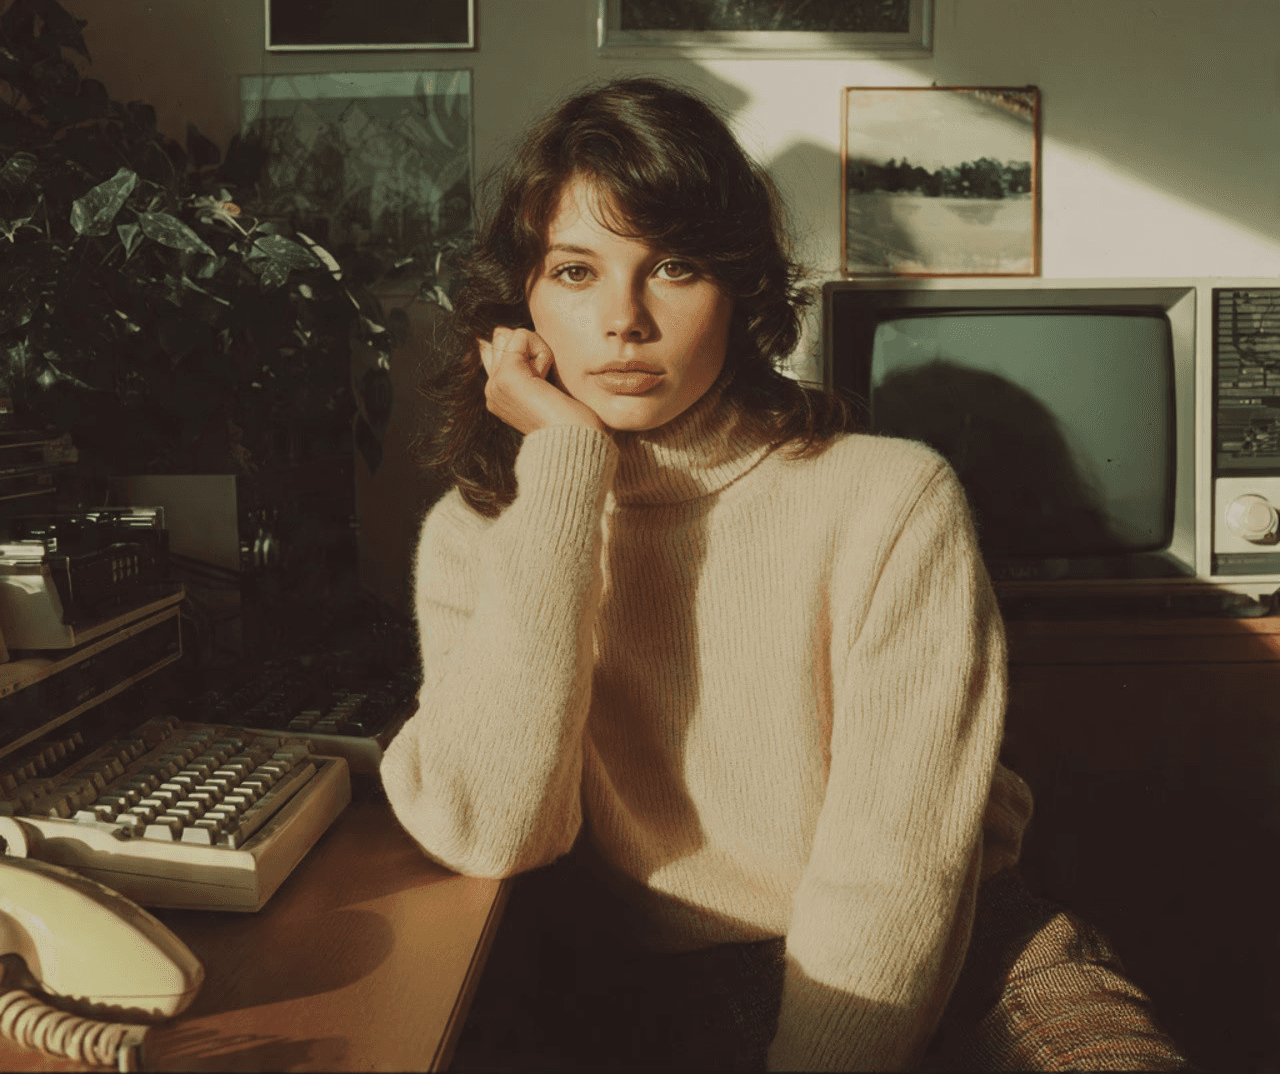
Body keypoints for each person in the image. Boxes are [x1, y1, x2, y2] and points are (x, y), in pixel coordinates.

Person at [378, 77, 1122, 1071]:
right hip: (649, 991)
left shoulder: (889, 500)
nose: (623, 321)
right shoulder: (478, 533)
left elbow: (894, 870)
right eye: (573, 272)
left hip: (946, 944)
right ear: (516, 310)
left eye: (673, 267)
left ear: (739, 289)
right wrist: (562, 466)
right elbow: (492, 830)